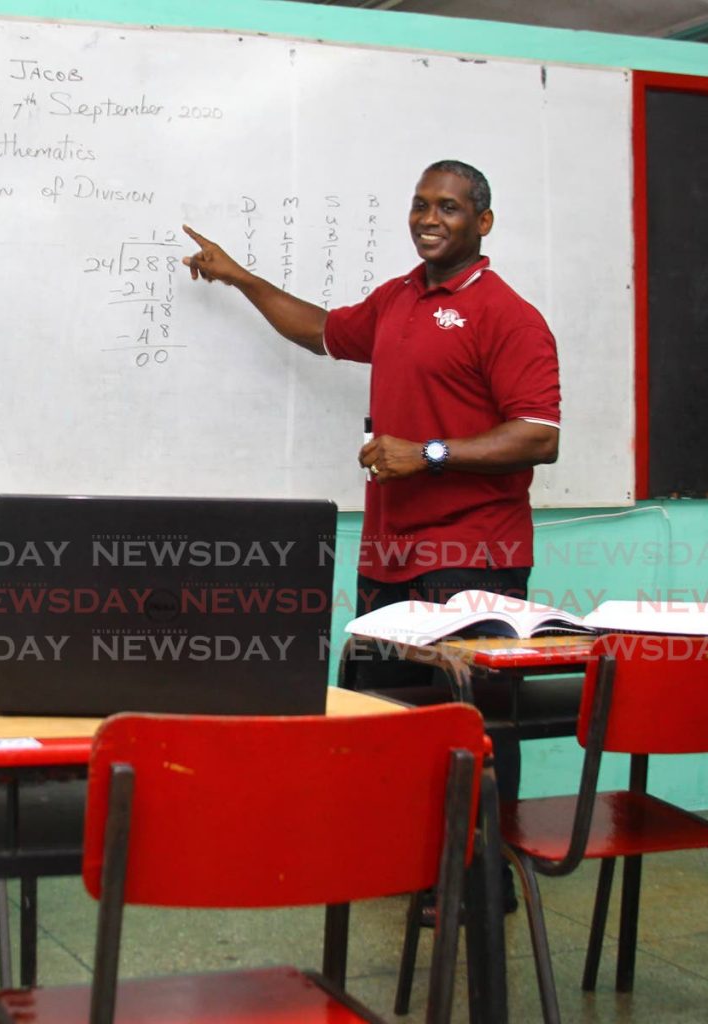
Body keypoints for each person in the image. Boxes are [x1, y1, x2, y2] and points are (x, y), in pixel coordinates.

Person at [183, 159, 561, 914]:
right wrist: (240, 278)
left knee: (471, 720)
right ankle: (415, 862)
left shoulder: (506, 315)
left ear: (482, 223)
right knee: (393, 720)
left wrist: (428, 454)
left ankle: (480, 879)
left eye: (449, 207)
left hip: (472, 553)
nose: (429, 218)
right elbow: (320, 330)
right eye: (421, 204)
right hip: (391, 553)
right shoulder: (397, 300)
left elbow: (540, 437)